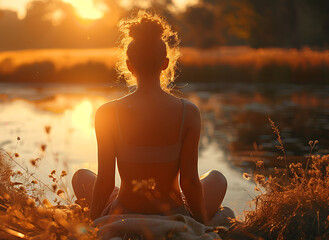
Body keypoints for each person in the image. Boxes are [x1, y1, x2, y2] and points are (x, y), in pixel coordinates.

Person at [71, 11, 227, 225]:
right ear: (165, 63)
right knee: (217, 178)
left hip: (124, 210)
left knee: (81, 176)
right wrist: (200, 225)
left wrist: (94, 223)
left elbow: (105, 182)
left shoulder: (107, 113)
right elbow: (189, 182)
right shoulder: (188, 112)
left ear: (129, 64)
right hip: (172, 213)